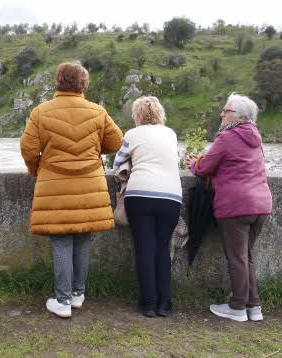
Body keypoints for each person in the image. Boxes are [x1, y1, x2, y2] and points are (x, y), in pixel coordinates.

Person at [20, 61, 123, 318]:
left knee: (62, 240)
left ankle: (62, 300)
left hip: (55, 183)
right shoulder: (97, 112)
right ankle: (78, 295)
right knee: (82, 238)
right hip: (90, 183)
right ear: (83, 84)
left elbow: (28, 149)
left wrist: (37, 170)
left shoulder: (41, 112)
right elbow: (117, 141)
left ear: (58, 81)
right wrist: (92, 150)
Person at [185, 93, 272, 322]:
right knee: (246, 256)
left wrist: (194, 163)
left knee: (237, 258)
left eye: (226, 111)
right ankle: (254, 307)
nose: (222, 114)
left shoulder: (227, 137)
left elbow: (205, 168)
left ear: (239, 116)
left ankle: (237, 307)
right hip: (261, 204)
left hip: (236, 206)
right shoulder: (255, 136)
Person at [112, 96, 182, 318]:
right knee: (163, 249)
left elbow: (116, 163)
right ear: (160, 113)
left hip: (141, 194)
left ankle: (149, 303)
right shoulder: (170, 133)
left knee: (145, 249)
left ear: (138, 115)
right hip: (171, 196)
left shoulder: (133, 134)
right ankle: (165, 303)